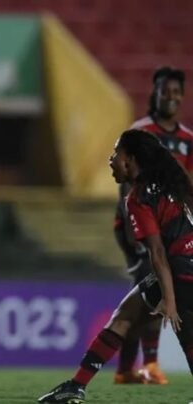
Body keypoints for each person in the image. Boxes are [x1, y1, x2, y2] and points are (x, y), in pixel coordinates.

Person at [38, 129, 193, 404]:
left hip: (181, 269)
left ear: (129, 159)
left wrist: (169, 300)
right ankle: (75, 386)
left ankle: (76, 386)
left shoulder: (138, 198)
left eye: (115, 153)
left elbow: (157, 253)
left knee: (124, 318)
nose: (111, 160)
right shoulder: (173, 182)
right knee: (184, 332)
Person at [113, 66, 193, 385]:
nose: (170, 96)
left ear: (182, 96)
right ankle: (149, 363)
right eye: (164, 90)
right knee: (151, 290)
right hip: (140, 225)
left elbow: (187, 185)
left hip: (171, 228)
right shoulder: (141, 132)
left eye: (175, 91)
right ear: (155, 93)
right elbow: (126, 184)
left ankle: (127, 369)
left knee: (145, 297)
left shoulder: (188, 139)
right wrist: (132, 230)